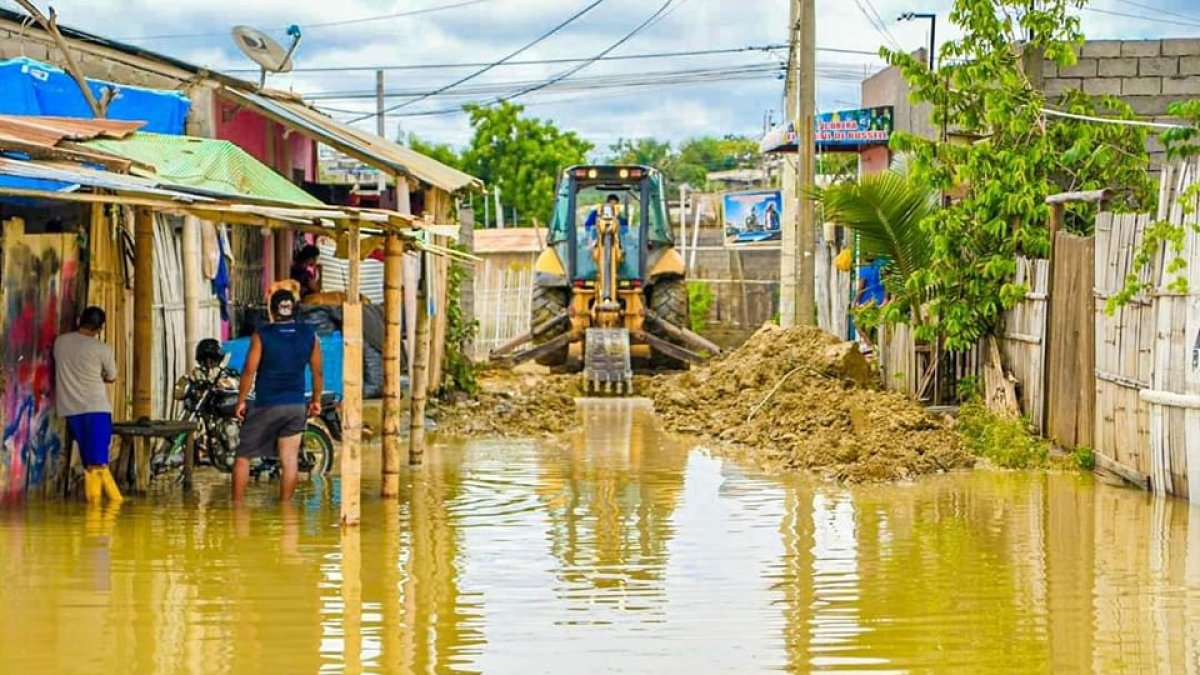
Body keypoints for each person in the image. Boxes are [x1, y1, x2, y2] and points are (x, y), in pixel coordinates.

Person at [232, 289, 323, 502]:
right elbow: (317, 371)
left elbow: (248, 370)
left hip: (267, 404)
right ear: (294, 310)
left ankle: (236, 510)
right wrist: (316, 400)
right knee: (289, 459)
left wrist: (241, 401)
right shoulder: (310, 336)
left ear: (271, 312)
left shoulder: (262, 335)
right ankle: (286, 511)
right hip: (295, 405)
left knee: (243, 455)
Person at [54, 306, 122, 504]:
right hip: (97, 410)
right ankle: (113, 510)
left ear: (78, 320)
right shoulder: (102, 349)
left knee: (90, 466)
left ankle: (94, 517)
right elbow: (111, 377)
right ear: (100, 328)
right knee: (99, 465)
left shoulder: (60, 343)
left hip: (71, 411)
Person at [854, 255, 888, 353]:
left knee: (857, 323)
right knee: (876, 324)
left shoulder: (863, 271)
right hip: (880, 299)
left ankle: (870, 345)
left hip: (867, 301)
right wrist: (885, 299)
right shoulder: (880, 269)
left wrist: (855, 301)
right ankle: (876, 345)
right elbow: (886, 284)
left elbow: (861, 289)